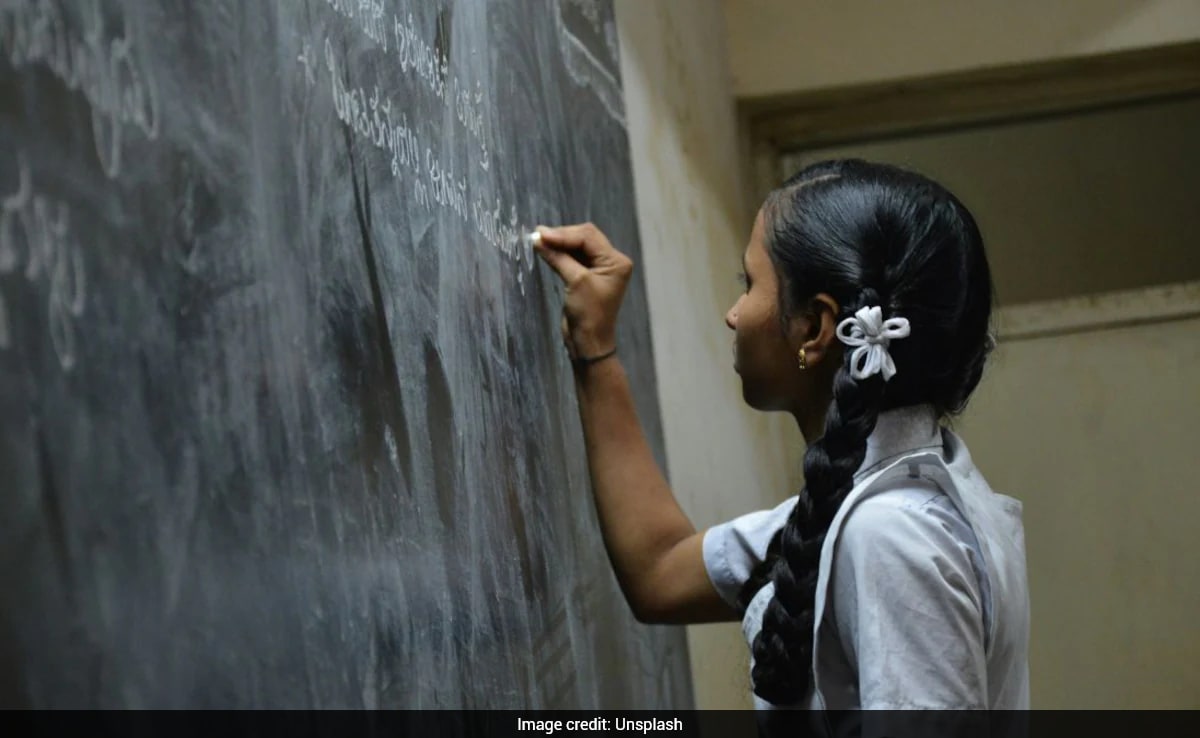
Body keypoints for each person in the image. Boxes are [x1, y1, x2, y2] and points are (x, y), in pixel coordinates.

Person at [532, 159, 1029, 720]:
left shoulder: (891, 534)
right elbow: (661, 571)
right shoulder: (878, 500)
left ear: (817, 329)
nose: (733, 314)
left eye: (749, 284)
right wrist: (594, 347)